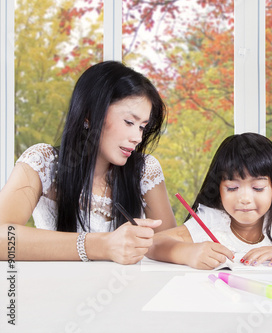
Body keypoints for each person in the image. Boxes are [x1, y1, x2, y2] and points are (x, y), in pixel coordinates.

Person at [0, 61, 176, 264]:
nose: (137, 137)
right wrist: (102, 245)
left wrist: (192, 252)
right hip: (58, 289)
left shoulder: (145, 170)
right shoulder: (43, 162)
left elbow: (168, 244)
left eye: (142, 127)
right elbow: (4, 237)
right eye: (129, 122)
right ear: (89, 115)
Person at [147, 133, 272, 269]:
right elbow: (153, 243)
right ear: (218, 189)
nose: (245, 199)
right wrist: (188, 253)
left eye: (258, 188)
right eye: (232, 188)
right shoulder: (211, 221)